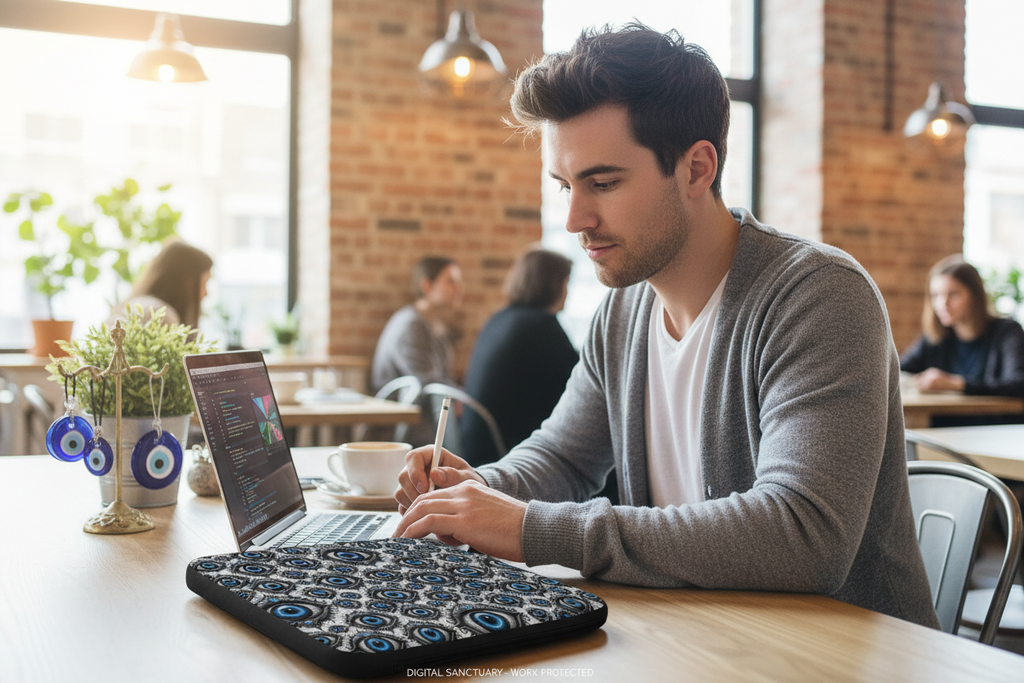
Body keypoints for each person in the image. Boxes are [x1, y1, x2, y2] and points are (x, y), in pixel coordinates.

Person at [393, 24, 938, 628]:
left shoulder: (818, 295)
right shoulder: (624, 311)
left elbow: (803, 534)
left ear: (697, 169)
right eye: (565, 186)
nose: (574, 218)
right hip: (698, 634)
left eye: (603, 183)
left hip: (841, 652)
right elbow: (564, 459)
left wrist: (529, 528)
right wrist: (471, 491)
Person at [460, 247, 579, 468]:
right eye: (566, 283)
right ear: (554, 285)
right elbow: (583, 387)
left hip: (474, 449)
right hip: (508, 455)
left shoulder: (498, 318)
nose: (567, 293)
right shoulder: (542, 326)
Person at [900, 255, 1024, 425]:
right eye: (936, 295)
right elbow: (898, 371)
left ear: (975, 296)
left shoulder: (1007, 332)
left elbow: (1018, 384)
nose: (943, 303)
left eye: (953, 294)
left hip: (995, 431)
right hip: (946, 433)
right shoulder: (936, 338)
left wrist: (955, 384)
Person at [371, 256, 464, 444]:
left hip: (426, 415)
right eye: (451, 281)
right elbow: (429, 382)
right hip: (402, 424)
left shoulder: (434, 325)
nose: (460, 288)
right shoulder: (410, 325)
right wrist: (465, 396)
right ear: (426, 286)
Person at [108, 238, 212, 331]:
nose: (206, 293)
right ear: (188, 282)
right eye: (204, 283)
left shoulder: (134, 304)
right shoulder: (161, 316)